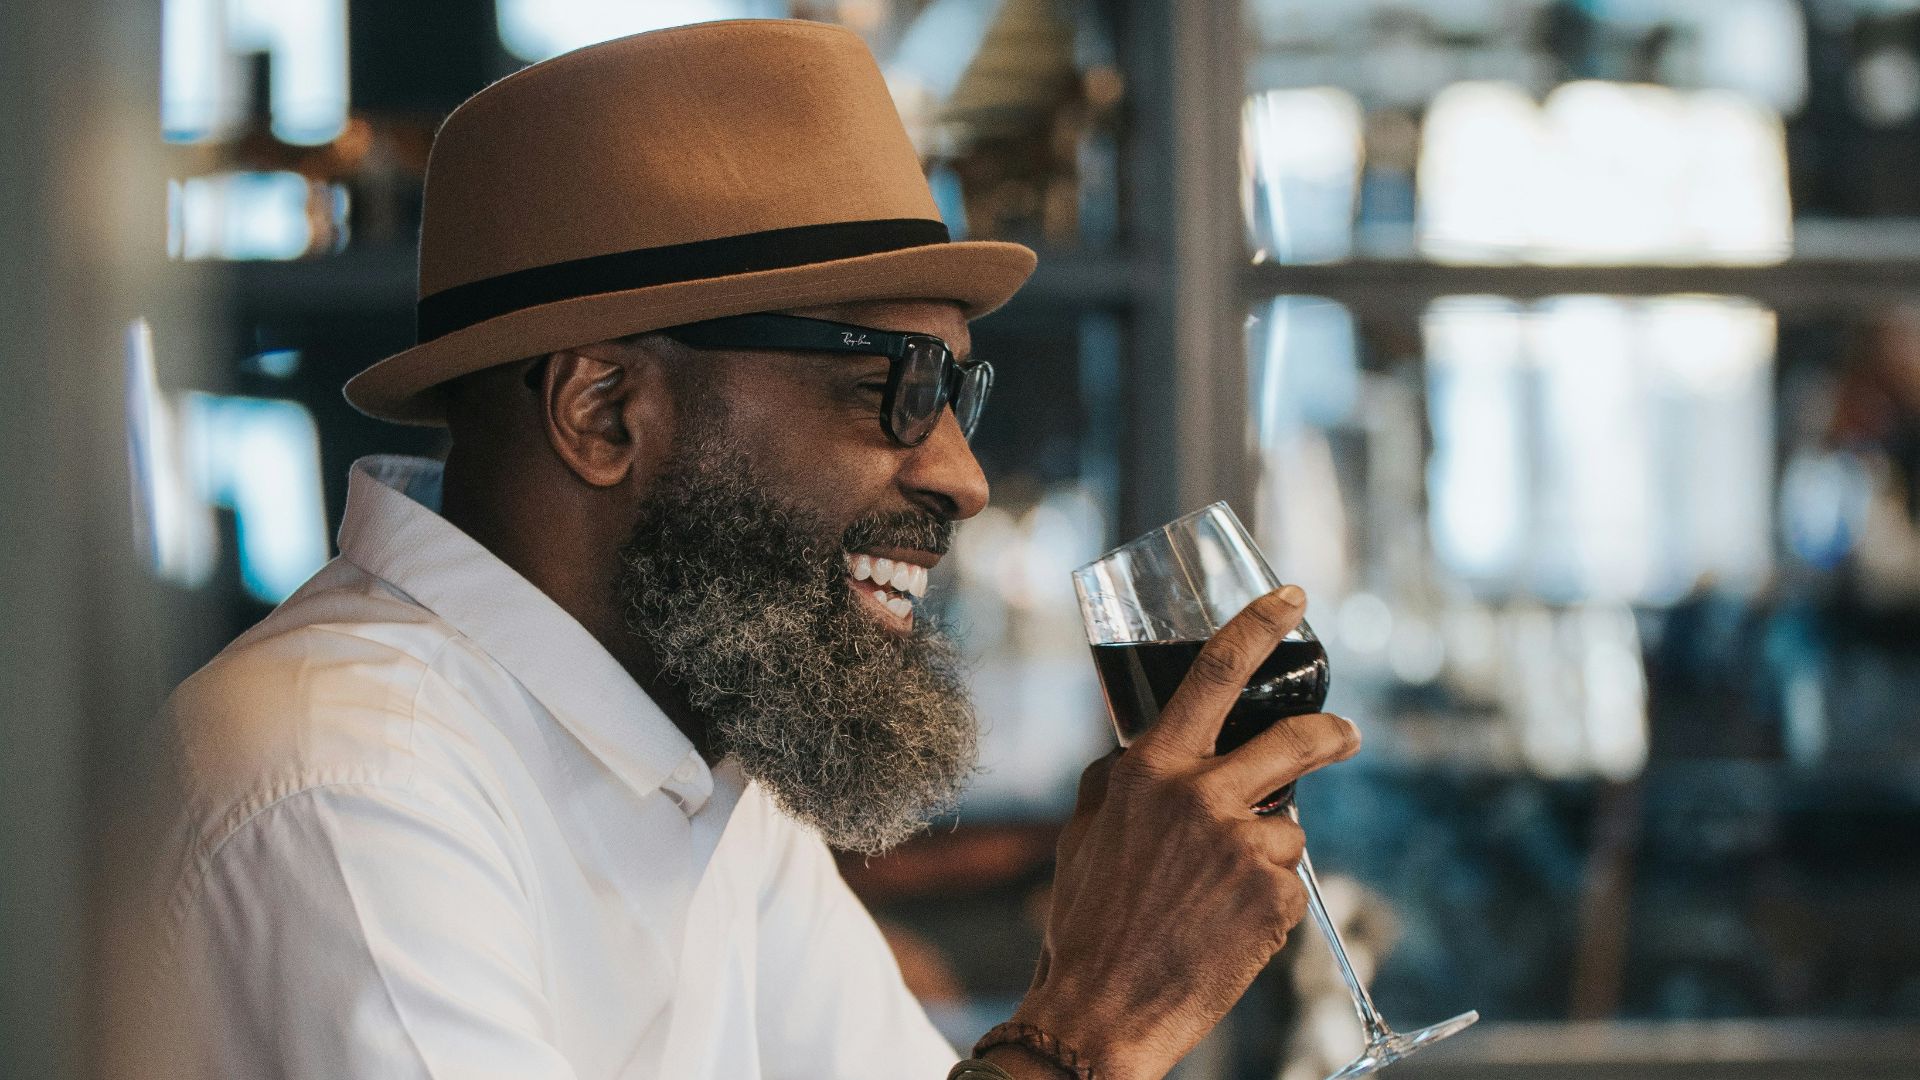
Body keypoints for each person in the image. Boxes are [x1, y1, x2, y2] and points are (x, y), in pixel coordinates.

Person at [156, 19, 1360, 1080]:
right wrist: (1086, 1028)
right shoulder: (348, 786)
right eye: (893, 387)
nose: (963, 476)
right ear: (602, 412)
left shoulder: (696, 760)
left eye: (959, 394)